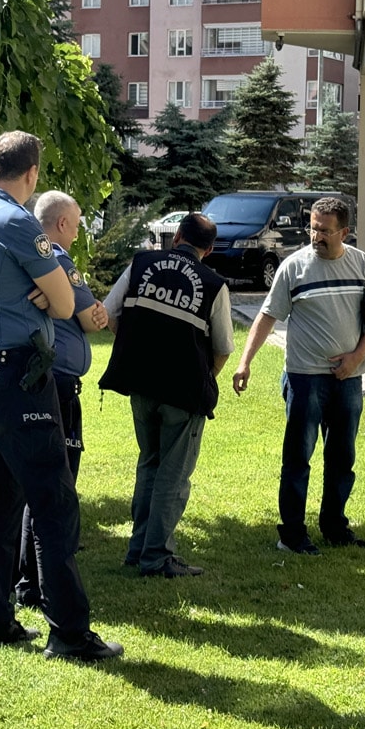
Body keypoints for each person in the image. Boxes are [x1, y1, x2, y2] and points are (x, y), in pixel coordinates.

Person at [0, 130, 122, 661]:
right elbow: (67, 304)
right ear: (32, 174)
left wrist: (49, 296)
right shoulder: (18, 222)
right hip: (20, 375)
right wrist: (53, 298)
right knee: (54, 503)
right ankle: (68, 633)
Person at [232, 196, 365, 556]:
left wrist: (355, 359)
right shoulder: (294, 267)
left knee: (342, 458)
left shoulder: (362, 265)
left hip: (348, 379)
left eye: (324, 231)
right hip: (304, 378)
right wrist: (245, 362)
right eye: (313, 228)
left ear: (344, 232)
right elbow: (267, 316)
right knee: (298, 458)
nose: (316, 236)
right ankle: (292, 534)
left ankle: (334, 526)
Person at [99, 213, 234, 578]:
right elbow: (223, 348)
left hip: (140, 383)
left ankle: (138, 549)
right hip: (183, 391)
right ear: (209, 250)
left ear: (176, 237)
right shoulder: (213, 284)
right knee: (173, 475)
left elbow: (108, 314)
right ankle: (157, 556)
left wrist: (136, 341)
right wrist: (205, 378)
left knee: (149, 463)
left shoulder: (141, 263)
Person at [13, 190, 108, 610]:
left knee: (36, 483)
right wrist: (95, 312)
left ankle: (27, 578)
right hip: (60, 382)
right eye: (78, 222)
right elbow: (91, 319)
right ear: (63, 223)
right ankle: (37, 583)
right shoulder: (59, 260)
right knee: (56, 483)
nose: (79, 230)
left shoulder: (30, 257)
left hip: (44, 379)